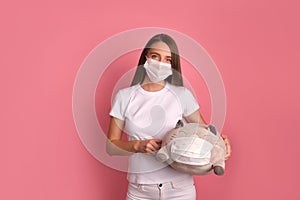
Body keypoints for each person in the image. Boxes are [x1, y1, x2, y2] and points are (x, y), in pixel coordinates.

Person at [106, 33, 231, 200]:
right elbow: (111, 147)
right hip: (139, 190)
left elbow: (204, 135)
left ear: (173, 65)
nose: (160, 63)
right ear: (145, 58)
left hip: (179, 189)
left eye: (168, 60)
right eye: (155, 56)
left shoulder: (182, 95)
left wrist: (220, 145)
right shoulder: (124, 97)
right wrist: (137, 146)